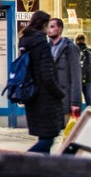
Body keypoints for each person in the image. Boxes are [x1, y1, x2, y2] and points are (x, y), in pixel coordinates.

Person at [19, 10, 65, 153]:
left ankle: (42, 166)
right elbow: (47, 75)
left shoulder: (25, 41)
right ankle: (25, 160)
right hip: (45, 98)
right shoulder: (42, 44)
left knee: (44, 137)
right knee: (48, 138)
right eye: (48, 25)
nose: (48, 29)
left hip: (31, 94)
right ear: (43, 25)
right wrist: (59, 93)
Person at [48, 17, 82, 120]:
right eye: (48, 27)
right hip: (52, 101)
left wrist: (75, 102)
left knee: (67, 128)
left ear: (60, 29)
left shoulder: (69, 48)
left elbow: (76, 76)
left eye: (52, 27)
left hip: (66, 100)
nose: (49, 29)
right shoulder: (47, 48)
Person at [74, 33, 91, 107]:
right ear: (84, 40)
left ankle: (78, 114)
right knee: (88, 98)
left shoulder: (74, 51)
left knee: (77, 100)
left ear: (76, 41)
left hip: (77, 79)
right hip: (89, 79)